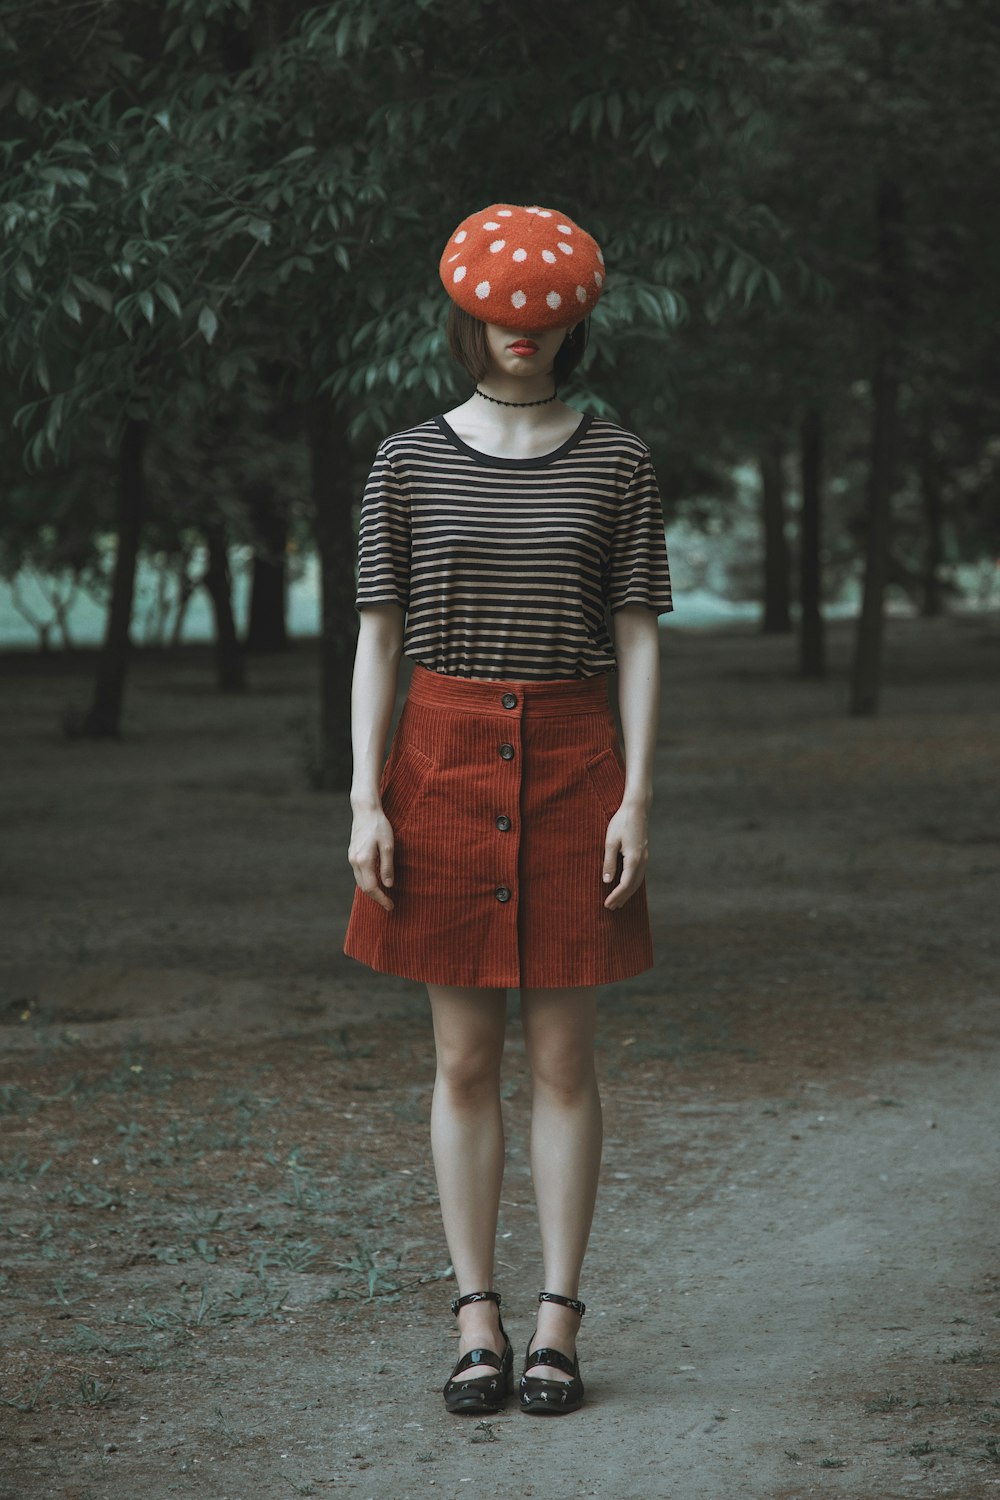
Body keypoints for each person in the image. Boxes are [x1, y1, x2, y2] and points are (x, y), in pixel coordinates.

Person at [344, 202, 673, 1416]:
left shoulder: (618, 459)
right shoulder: (407, 458)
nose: (518, 332)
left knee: (565, 1059)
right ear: (466, 313)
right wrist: (364, 800)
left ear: (573, 319)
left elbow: (636, 635)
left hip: (578, 763)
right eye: (497, 309)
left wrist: (639, 793)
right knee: (462, 1054)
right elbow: (378, 641)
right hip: (437, 764)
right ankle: (475, 1314)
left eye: (543, 313)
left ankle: (557, 1324)